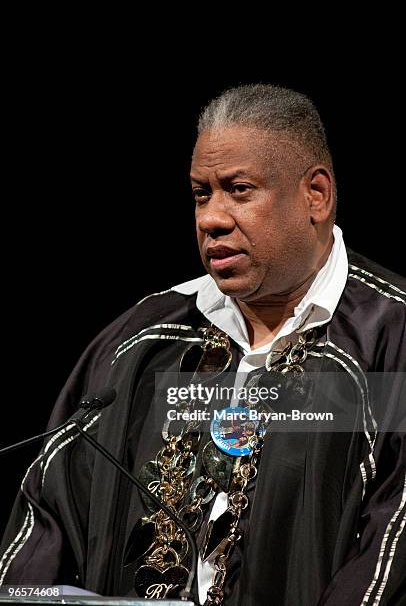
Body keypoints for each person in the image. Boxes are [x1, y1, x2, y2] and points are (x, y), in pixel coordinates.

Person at [1, 84, 405, 605]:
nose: (211, 218)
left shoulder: (387, 342)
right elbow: (44, 521)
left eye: (239, 189)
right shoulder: (142, 341)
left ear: (316, 195)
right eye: (201, 193)